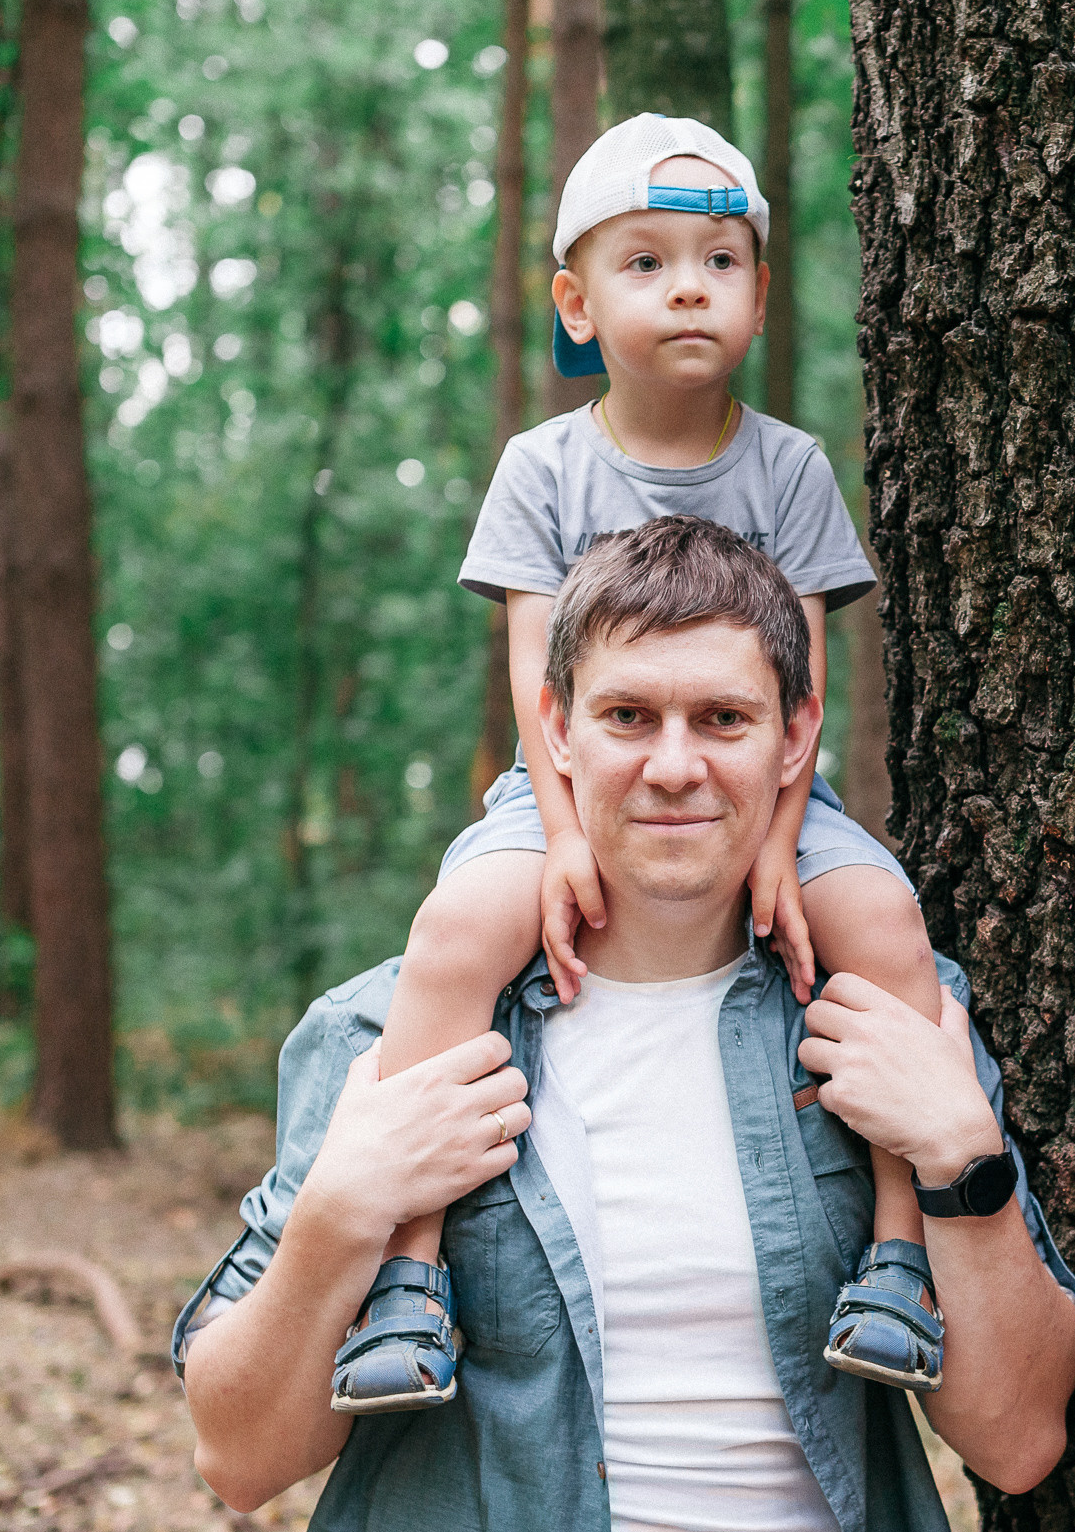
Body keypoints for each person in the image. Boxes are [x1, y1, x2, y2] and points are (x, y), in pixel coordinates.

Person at [175, 519, 1075, 1532]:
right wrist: (342, 1212)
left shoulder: (890, 1019)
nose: (674, 766)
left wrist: (960, 1157)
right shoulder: (396, 1032)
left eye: (722, 718)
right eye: (628, 716)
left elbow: (1017, 1441)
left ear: (795, 737)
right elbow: (239, 1455)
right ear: (557, 730)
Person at [347, 113, 948, 1412]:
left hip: (769, 789)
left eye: (720, 261)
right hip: (564, 784)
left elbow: (808, 672)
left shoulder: (786, 468)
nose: (689, 285)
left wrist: (784, 839)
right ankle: (406, 1269)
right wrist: (561, 832)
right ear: (576, 300)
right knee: (459, 928)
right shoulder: (545, 467)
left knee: (889, 926)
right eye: (647, 261)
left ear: (760, 293)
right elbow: (532, 671)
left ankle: (902, 1252)